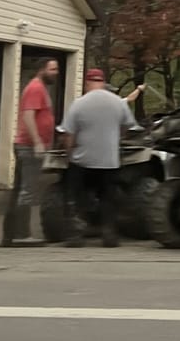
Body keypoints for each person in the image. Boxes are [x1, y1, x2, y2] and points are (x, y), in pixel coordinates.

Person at [61, 68, 145, 247]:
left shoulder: (79, 103)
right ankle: (109, 234)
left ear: (87, 82)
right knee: (108, 198)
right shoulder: (118, 103)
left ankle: (76, 234)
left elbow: (68, 134)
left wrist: (70, 153)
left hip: (82, 161)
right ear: (103, 82)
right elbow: (128, 127)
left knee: (77, 197)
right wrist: (116, 138)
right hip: (109, 161)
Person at [6, 57, 59, 244]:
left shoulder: (40, 88)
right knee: (27, 190)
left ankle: (14, 233)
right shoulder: (35, 88)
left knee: (25, 189)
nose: (56, 72)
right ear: (41, 70)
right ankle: (21, 234)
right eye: (52, 69)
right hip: (28, 147)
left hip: (29, 146)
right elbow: (28, 116)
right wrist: (37, 142)